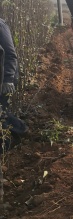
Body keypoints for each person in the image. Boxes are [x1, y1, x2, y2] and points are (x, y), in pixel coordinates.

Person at [0, 17, 28, 152]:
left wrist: (8, 79)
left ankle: (7, 144)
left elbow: (10, 55)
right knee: (2, 111)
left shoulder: (0, 25)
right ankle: (20, 129)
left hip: (5, 78)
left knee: (1, 111)